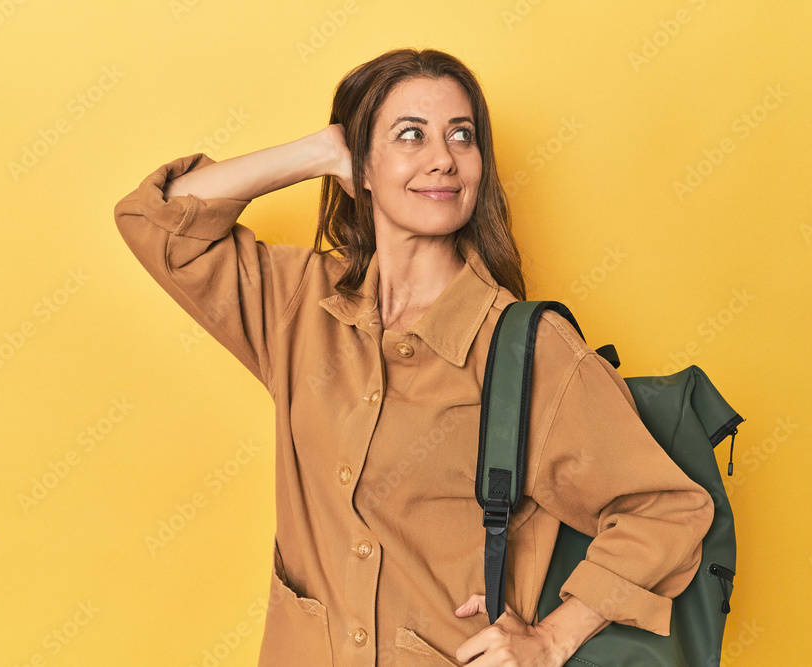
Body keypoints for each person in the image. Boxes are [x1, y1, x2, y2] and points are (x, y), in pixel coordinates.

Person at [113, 47, 714, 667]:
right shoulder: (301, 306)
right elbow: (154, 223)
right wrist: (317, 153)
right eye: (410, 135)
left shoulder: (525, 351)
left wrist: (553, 639)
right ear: (362, 168)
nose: (443, 160)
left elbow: (668, 509)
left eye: (462, 136)